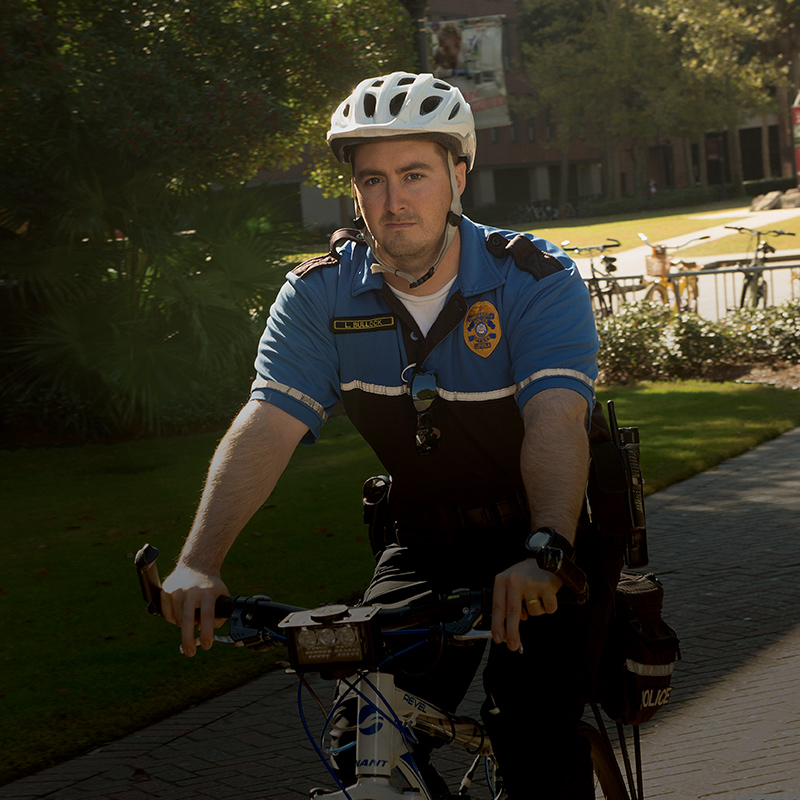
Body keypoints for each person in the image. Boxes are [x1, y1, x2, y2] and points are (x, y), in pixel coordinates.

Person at [160, 72, 622, 799]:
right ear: (355, 191)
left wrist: (545, 549)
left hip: (550, 533)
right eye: (373, 180)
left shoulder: (532, 277)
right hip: (427, 540)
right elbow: (268, 423)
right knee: (362, 736)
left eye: (414, 174)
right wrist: (198, 560)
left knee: (531, 730)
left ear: (457, 176)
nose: (393, 199)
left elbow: (556, 419)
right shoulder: (320, 293)